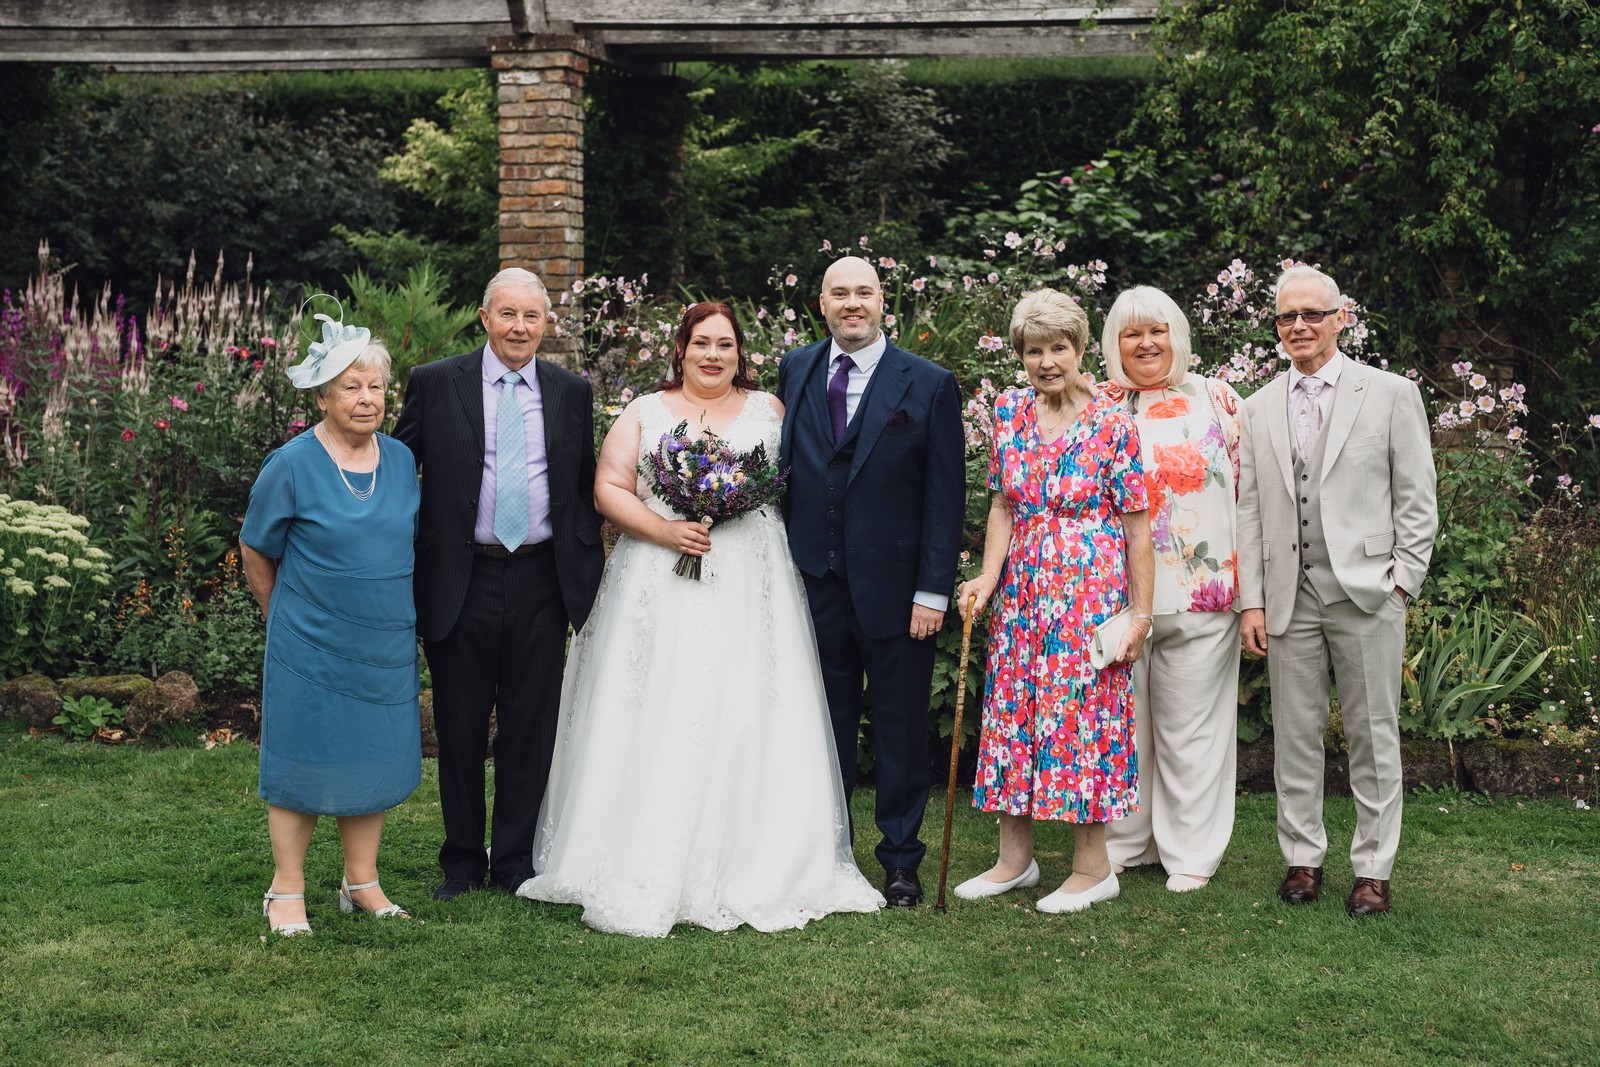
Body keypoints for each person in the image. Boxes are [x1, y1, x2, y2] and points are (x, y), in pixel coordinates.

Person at [519, 302, 884, 935]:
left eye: (725, 345)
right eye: (701, 344)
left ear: (741, 353)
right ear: (681, 350)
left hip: (751, 578)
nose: (713, 355)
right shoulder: (644, 411)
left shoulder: (770, 411)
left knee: (752, 703)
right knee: (653, 702)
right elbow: (609, 487)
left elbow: (800, 483)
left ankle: (761, 853)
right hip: (658, 576)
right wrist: (665, 529)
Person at [393, 267, 605, 902]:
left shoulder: (571, 391)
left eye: (532, 317)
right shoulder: (436, 384)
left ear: (546, 324)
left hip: (543, 576)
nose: (519, 327)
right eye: (508, 314)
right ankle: (461, 861)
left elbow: (584, 482)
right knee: (458, 727)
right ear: (484, 317)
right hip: (462, 575)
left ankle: (514, 858)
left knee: (530, 724)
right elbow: (401, 471)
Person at [1237, 266, 1437, 918]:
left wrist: (1401, 583)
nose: (1299, 326)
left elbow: (1417, 500)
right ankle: (1302, 857)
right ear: (1276, 327)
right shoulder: (1258, 405)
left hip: (1368, 594)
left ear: (1339, 317)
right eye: (1287, 317)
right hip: (1289, 598)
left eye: (1312, 314)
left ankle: (1373, 868)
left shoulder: (1389, 393)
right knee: (1294, 735)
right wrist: (1253, 599)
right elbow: (1249, 509)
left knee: (1374, 735)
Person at [952, 288, 1154, 914]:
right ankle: (1016, 861)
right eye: (1033, 350)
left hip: (1089, 591)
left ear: (1080, 349)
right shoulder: (1010, 413)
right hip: (1021, 593)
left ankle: (1094, 869)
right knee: (1014, 712)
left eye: (1058, 348)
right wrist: (987, 578)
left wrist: (1139, 614)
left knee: (1080, 719)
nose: (1046, 362)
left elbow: (1139, 523)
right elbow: (1003, 505)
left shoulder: (1114, 422)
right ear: (1020, 356)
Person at [776, 256, 966, 909]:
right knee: (818, 723)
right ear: (821, 302)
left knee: (900, 727)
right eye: (839, 293)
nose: (851, 303)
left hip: (898, 590)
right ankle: (823, 852)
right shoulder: (797, 368)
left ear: (884, 301)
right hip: (815, 579)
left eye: (864, 292)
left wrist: (933, 590)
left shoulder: (930, 383)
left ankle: (900, 861)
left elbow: (946, 494)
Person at [240, 317, 420, 935]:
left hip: (384, 640)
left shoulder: (400, 460)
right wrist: (280, 617)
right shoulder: (289, 464)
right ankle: (285, 888)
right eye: (350, 387)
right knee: (303, 758)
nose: (366, 398)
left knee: (369, 757)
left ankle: (361, 882)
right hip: (308, 644)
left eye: (375, 386)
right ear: (321, 397)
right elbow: (255, 549)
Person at [1098, 286, 1244, 893]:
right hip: (1115, 596)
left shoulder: (1218, 398)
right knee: (1124, 725)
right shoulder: (1098, 404)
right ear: (1114, 344)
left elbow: (1250, 496)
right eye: (1131, 333)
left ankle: (1190, 853)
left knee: (1192, 728)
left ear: (1177, 335)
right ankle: (1125, 843)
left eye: (1156, 330)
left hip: (1203, 592)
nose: (1146, 343)